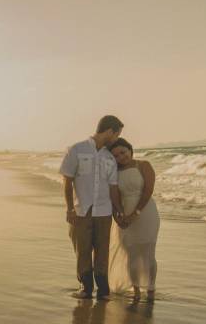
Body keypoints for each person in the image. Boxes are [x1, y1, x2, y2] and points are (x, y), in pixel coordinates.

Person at [59, 115, 125, 299]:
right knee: (83, 250)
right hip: (81, 211)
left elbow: (112, 187)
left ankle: (103, 291)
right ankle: (86, 288)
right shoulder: (76, 150)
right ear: (110, 131)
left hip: (104, 211)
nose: (117, 138)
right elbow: (67, 181)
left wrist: (117, 209)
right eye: (117, 133)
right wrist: (70, 208)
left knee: (102, 251)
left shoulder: (109, 157)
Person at [108, 138, 160, 302]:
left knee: (148, 251)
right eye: (115, 156)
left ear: (130, 150)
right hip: (125, 212)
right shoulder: (114, 172)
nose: (121, 157)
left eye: (123, 152)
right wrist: (118, 214)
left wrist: (136, 213)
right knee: (130, 252)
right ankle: (136, 289)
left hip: (146, 212)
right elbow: (114, 195)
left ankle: (151, 288)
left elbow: (148, 190)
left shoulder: (143, 165)